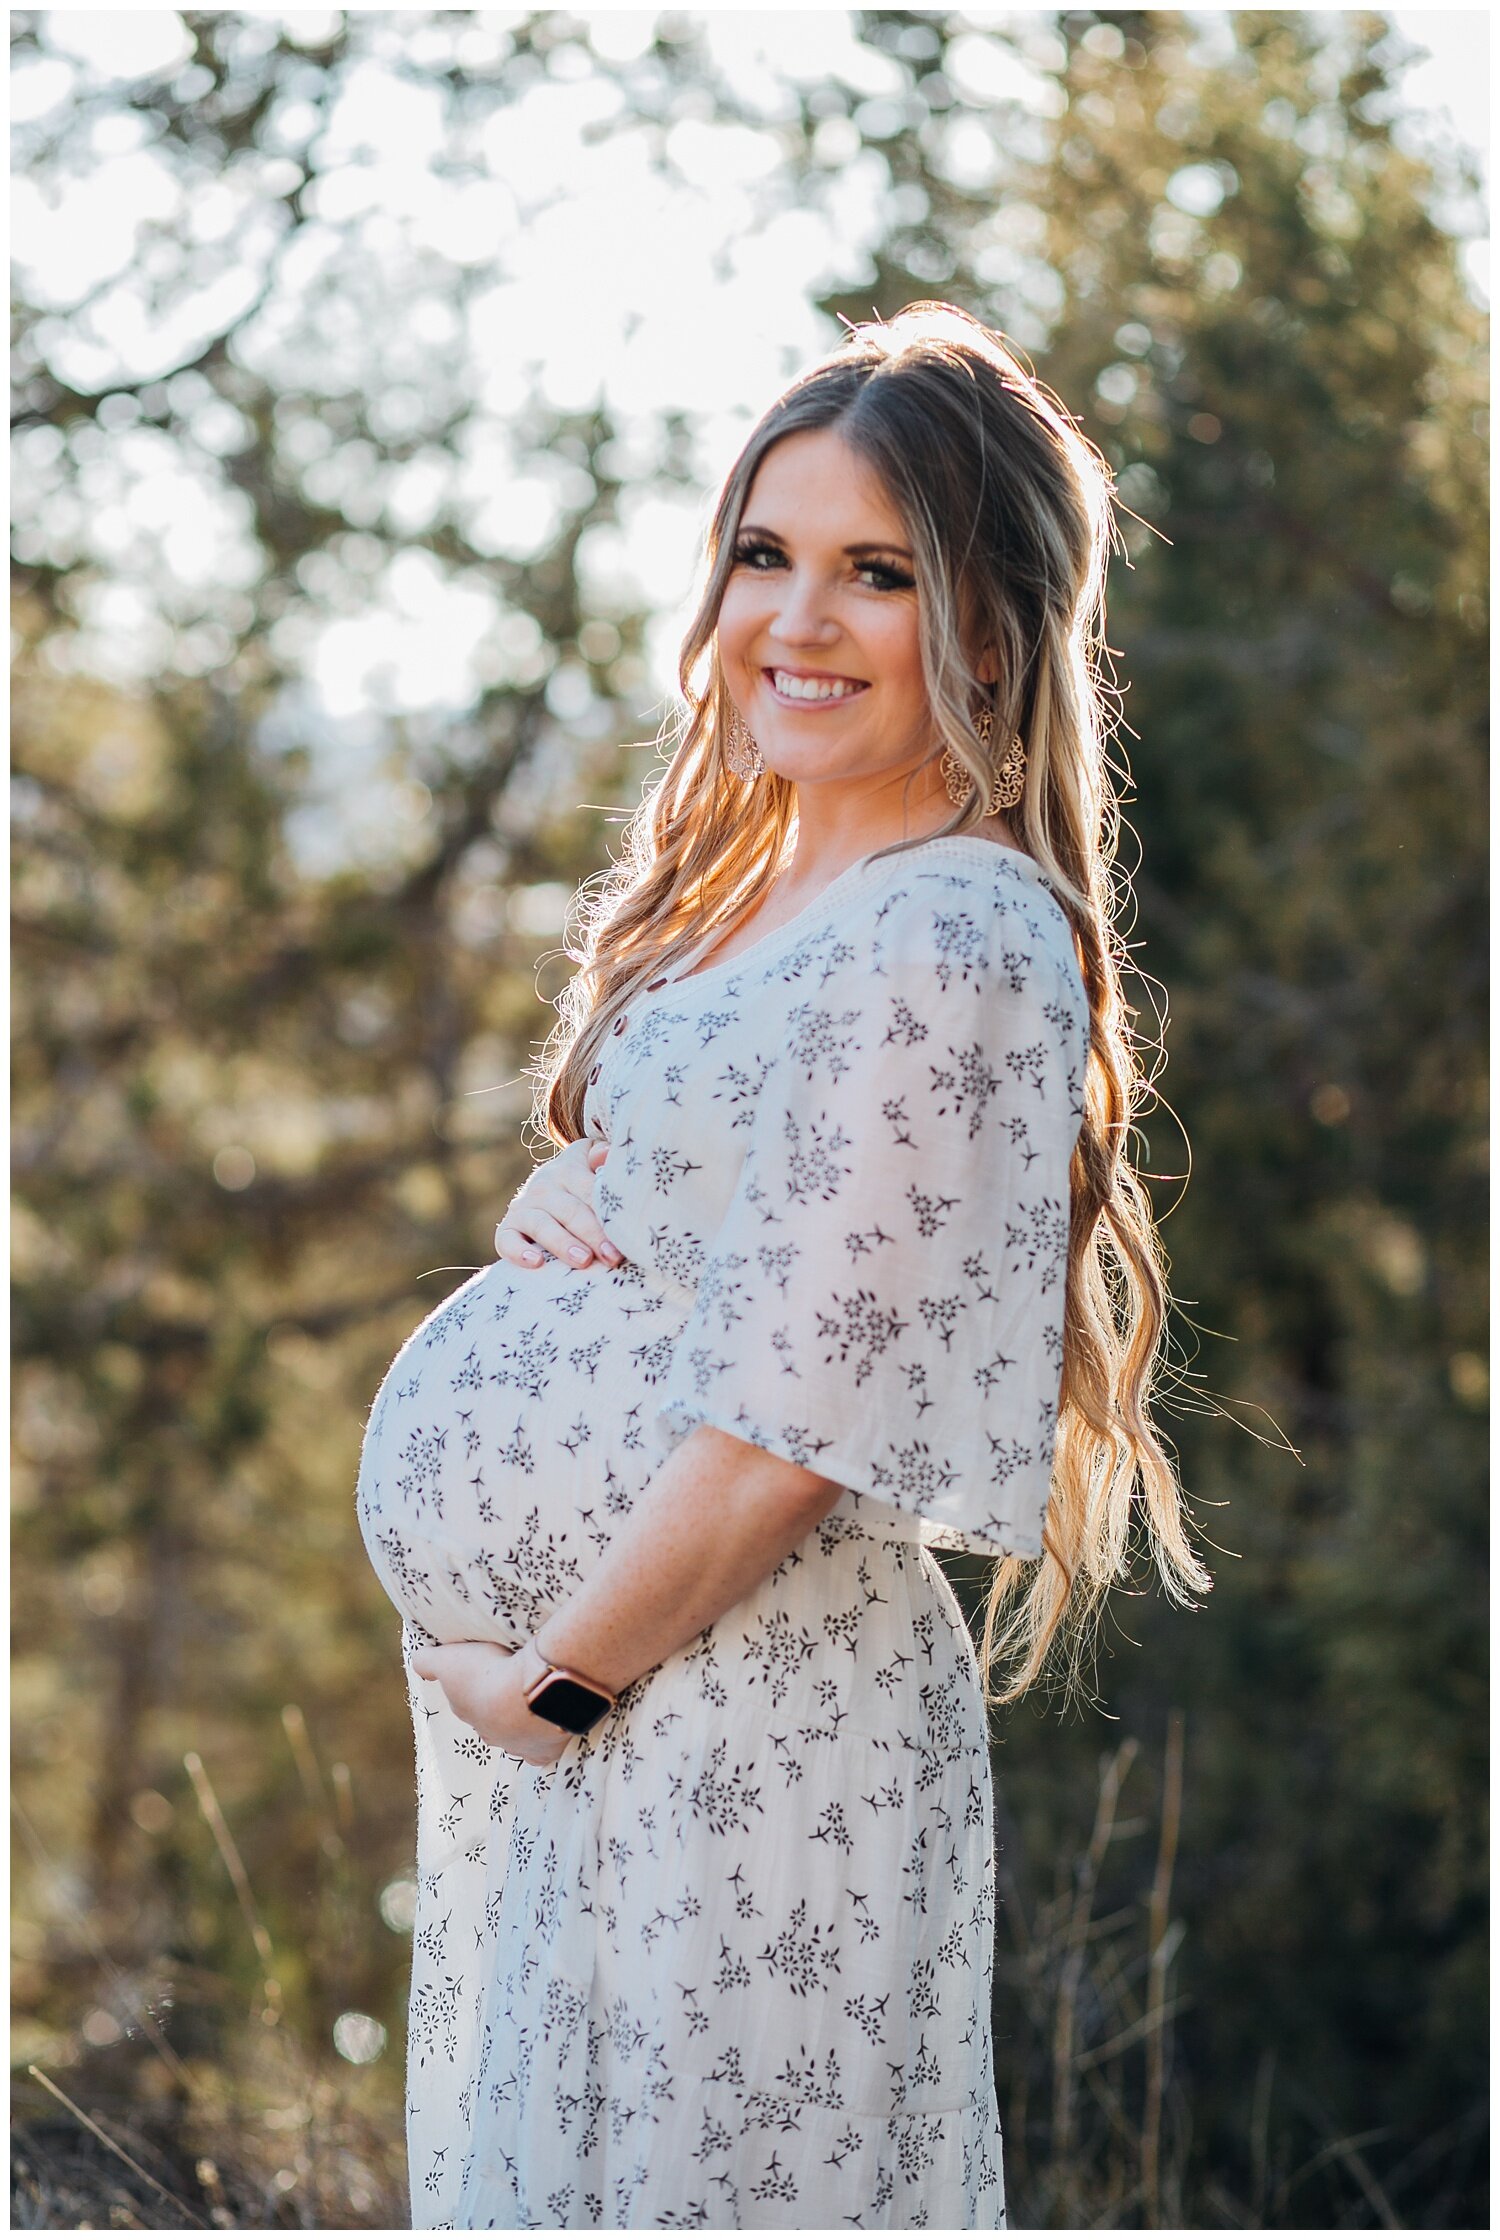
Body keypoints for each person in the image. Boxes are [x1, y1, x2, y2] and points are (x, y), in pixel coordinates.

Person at [355, 301, 1210, 2231]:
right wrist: (557, 1223)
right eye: (766, 555)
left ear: (989, 622)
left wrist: (554, 1689)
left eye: (876, 575)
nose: (796, 622)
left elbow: (788, 1429)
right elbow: (726, 1234)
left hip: (744, 1731)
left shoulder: (963, 927)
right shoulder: (760, 903)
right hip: (625, 1722)